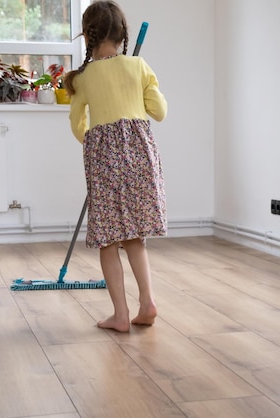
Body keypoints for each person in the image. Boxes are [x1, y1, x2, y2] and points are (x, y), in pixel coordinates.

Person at [63, 0, 168, 332]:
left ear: (88, 37)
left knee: (109, 240)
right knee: (135, 237)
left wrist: (95, 144)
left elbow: (77, 124)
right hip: (140, 160)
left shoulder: (83, 78)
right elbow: (159, 111)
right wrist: (141, 83)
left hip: (105, 163)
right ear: (123, 35)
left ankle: (121, 315)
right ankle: (147, 302)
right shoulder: (138, 66)